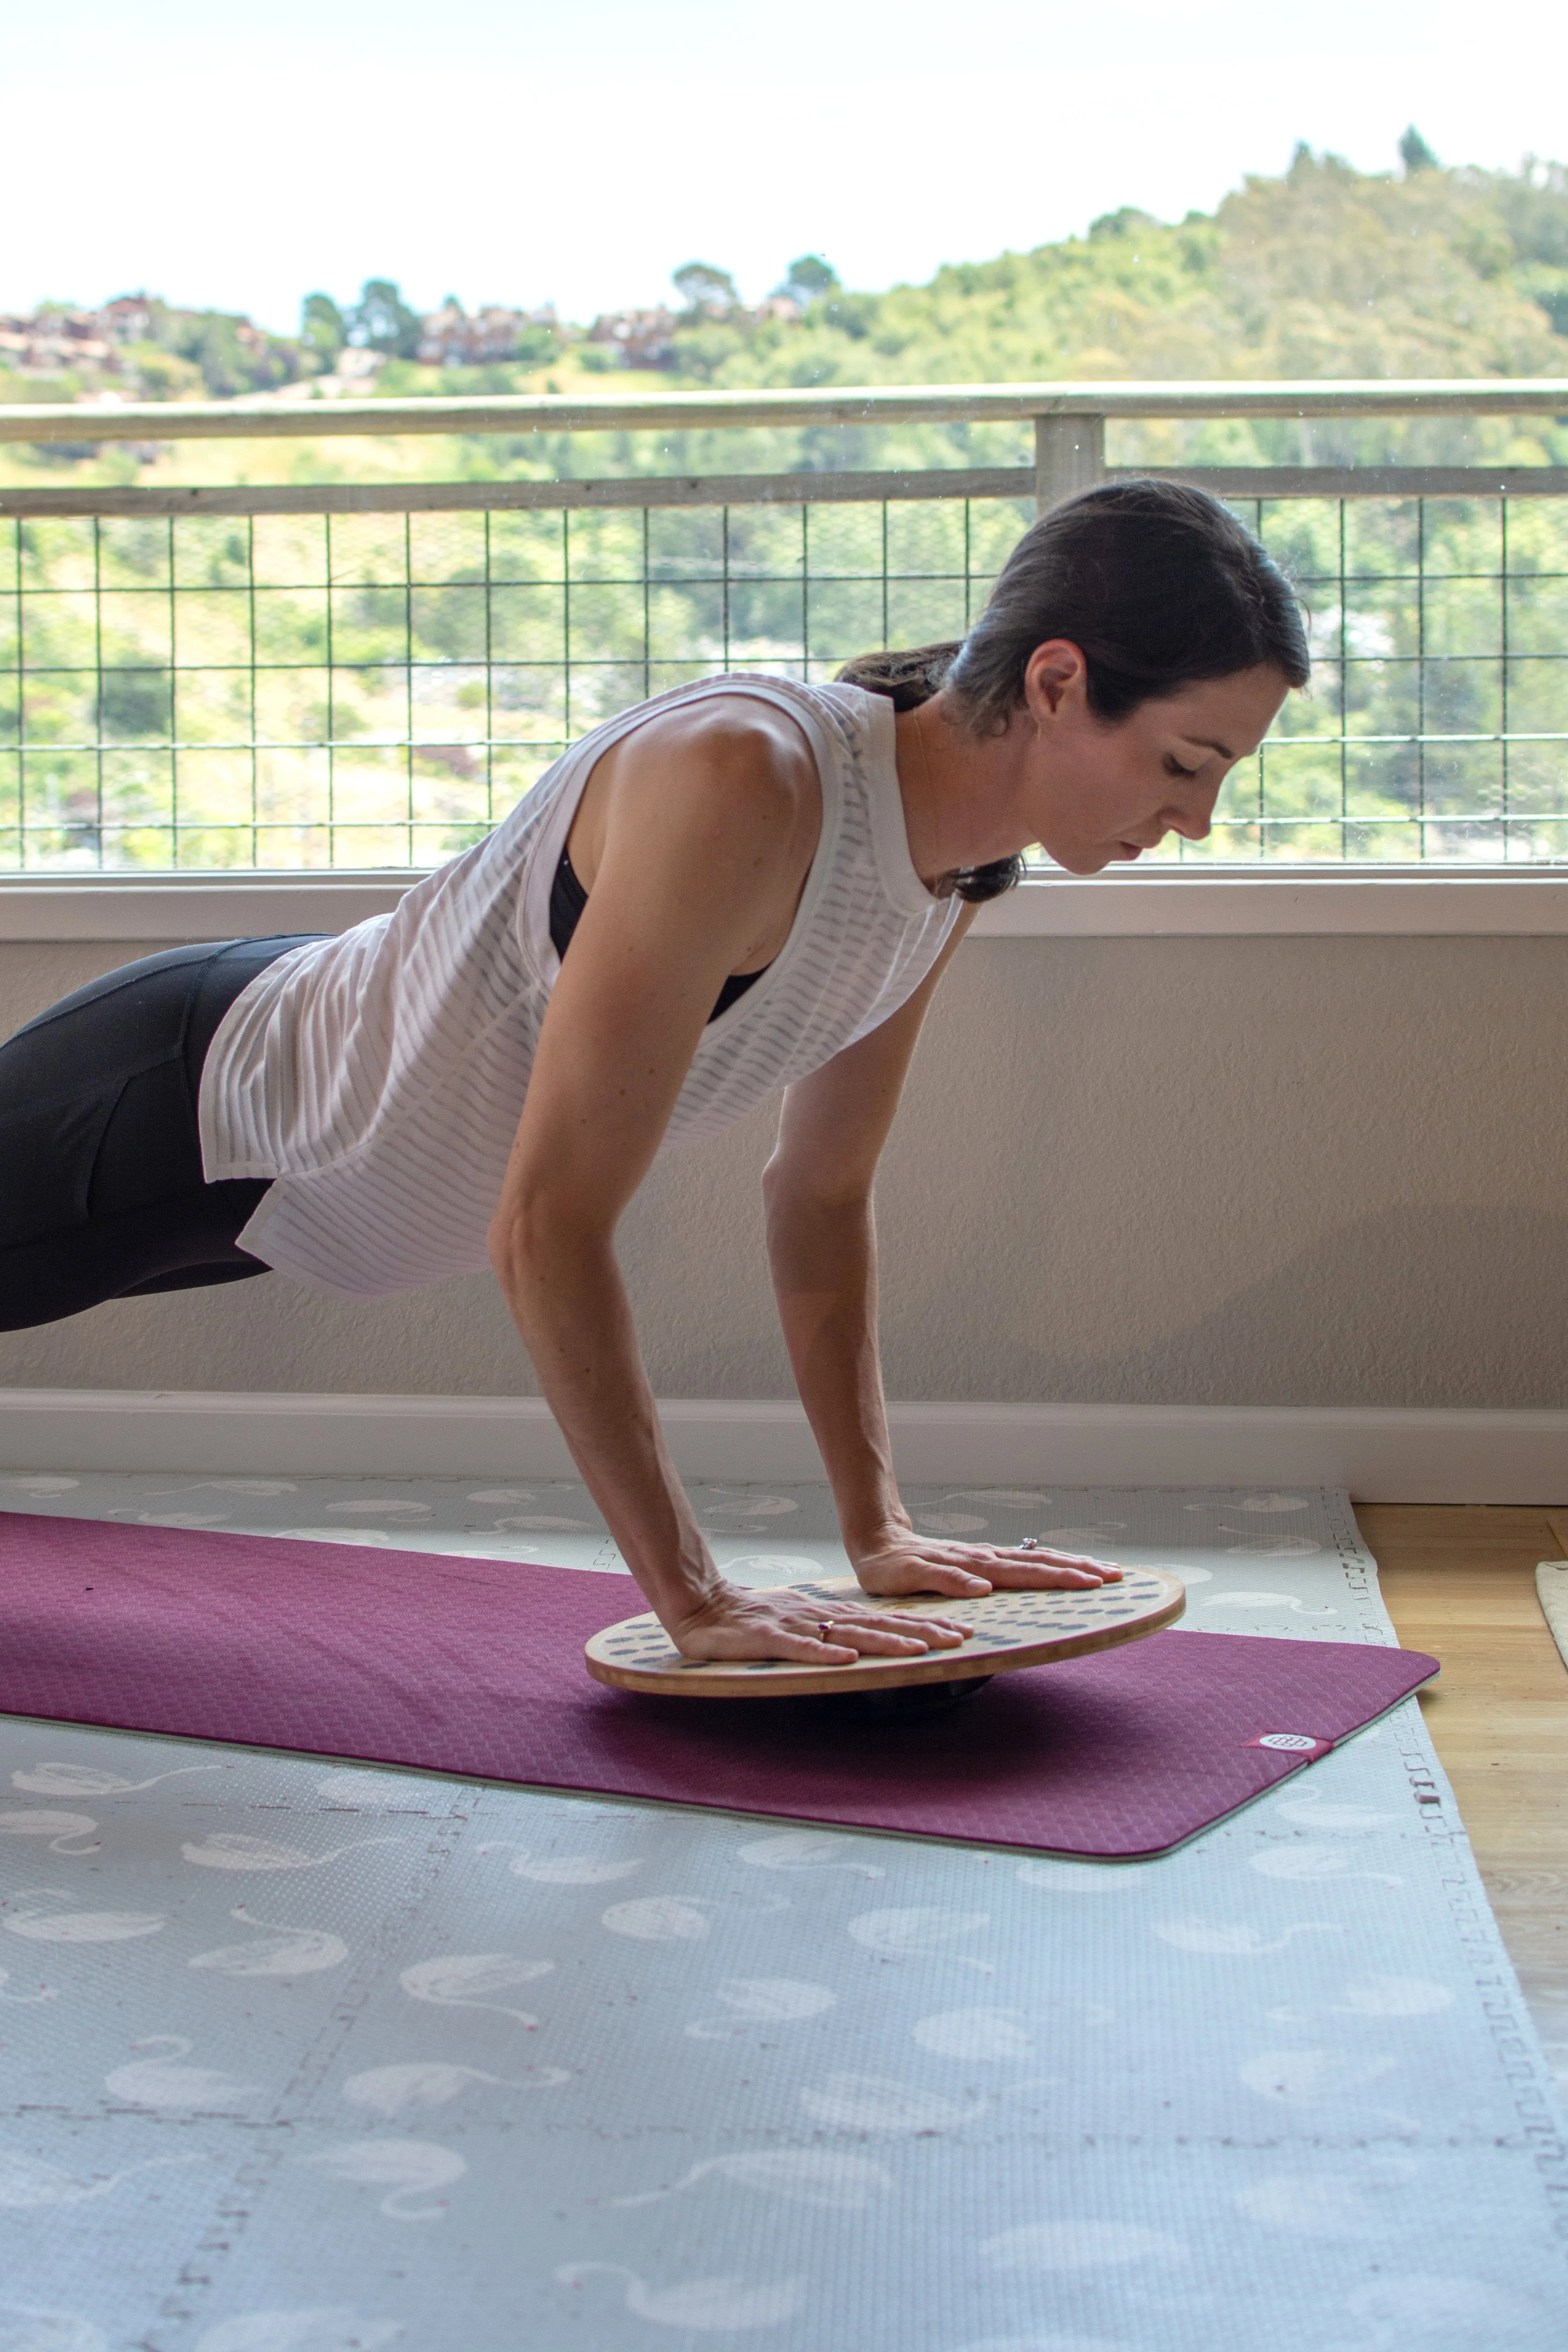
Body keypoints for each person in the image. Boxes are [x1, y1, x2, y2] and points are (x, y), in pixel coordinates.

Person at [0, 482, 1309, 1666]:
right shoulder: (744, 777)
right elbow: (548, 1225)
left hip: (283, 1191)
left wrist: (880, 1531)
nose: (1192, 817)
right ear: (1058, 681)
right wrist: (693, 1594)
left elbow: (818, 1193)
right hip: (198, 1099)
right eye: (1184, 764)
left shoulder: (953, 865)